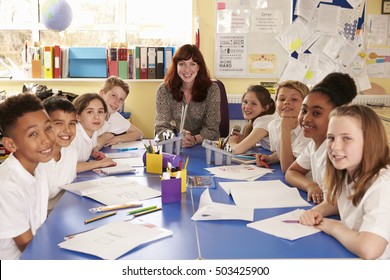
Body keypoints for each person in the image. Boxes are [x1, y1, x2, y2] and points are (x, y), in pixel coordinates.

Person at [300, 105, 390, 259]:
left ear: (370, 141)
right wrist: (318, 211)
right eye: (331, 138)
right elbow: (338, 201)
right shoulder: (348, 170)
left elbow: (369, 249)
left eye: (347, 138)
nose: (335, 146)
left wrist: (332, 226)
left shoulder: (382, 184)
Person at [285, 72, 357, 204]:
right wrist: (310, 186)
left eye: (316, 113)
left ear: (337, 116)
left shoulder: (337, 152)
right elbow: (291, 172)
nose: (306, 118)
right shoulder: (315, 143)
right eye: (304, 110)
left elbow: (337, 203)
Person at [0, 93, 55, 259]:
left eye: (48, 128)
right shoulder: (7, 186)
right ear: (10, 144)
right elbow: (29, 249)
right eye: (33, 134)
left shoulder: (39, 168)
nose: (46, 139)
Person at [154, 44, 220, 147]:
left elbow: (213, 130)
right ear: (176, 66)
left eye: (192, 64)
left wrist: (194, 139)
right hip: (174, 145)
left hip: (202, 145)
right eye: (182, 64)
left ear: (199, 67)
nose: (187, 69)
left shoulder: (212, 90)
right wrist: (176, 136)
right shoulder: (164, 90)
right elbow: (160, 127)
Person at [256, 80, 310, 173]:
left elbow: (289, 169)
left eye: (294, 99)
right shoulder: (273, 126)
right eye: (281, 99)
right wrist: (270, 159)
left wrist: (285, 131)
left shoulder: (308, 131)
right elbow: (279, 152)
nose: (286, 102)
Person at [41, 96, 78, 210]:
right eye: (59, 123)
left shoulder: (70, 151)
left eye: (72, 123)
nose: (67, 130)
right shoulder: (33, 159)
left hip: (54, 212)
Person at [71, 93, 116, 172]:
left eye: (100, 112)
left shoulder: (93, 130)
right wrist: (100, 163)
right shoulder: (73, 135)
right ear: (77, 116)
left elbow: (88, 145)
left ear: (105, 114)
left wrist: (93, 152)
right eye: (90, 112)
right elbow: (69, 167)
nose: (97, 117)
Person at [96, 76, 143, 149]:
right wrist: (107, 136)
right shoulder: (92, 114)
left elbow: (138, 133)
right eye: (113, 95)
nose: (117, 102)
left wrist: (117, 139)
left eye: (121, 99)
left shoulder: (113, 115)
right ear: (102, 93)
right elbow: (91, 148)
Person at [228, 85, 275, 154]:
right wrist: (243, 140)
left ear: (265, 108)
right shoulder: (262, 119)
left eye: (254, 104)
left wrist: (232, 142)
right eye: (245, 102)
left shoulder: (264, 121)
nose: (247, 107)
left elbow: (236, 150)